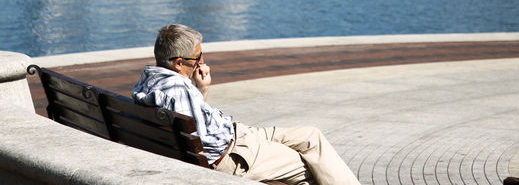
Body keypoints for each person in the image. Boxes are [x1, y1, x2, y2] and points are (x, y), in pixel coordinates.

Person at [133, 24, 361, 185]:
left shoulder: (149, 80)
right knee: (311, 166)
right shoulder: (179, 89)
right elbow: (208, 148)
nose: (201, 62)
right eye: (197, 58)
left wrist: (201, 89)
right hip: (235, 155)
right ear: (179, 63)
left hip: (237, 134)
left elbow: (191, 128)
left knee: (312, 135)